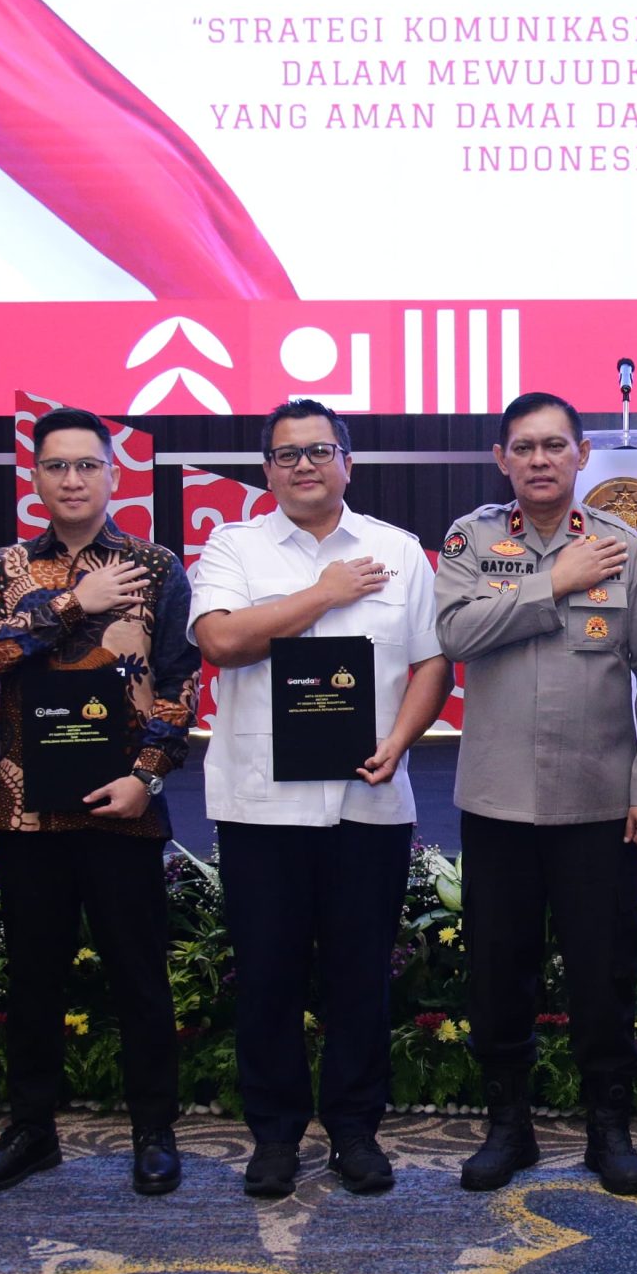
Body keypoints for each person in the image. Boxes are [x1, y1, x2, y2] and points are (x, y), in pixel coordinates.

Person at [190, 400, 451, 1199]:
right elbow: (220, 641)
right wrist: (324, 593)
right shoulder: (234, 545)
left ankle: (354, 1130)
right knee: (266, 976)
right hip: (260, 806)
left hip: (366, 802)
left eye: (319, 450)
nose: (304, 465)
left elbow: (432, 664)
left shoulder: (398, 551)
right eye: (287, 454)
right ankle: (273, 1135)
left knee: (360, 976)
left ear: (348, 462)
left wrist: (400, 740)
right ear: (267, 471)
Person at [435, 392, 637, 1196]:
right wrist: (552, 583)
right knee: (497, 971)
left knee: (602, 974)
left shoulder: (621, 547)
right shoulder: (472, 540)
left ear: (581, 455)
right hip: (498, 802)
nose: (539, 460)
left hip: (599, 803)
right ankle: (508, 1128)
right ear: (501, 459)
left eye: (554, 445)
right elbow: (453, 634)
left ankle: (608, 1129)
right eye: (524, 447)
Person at [0, 407, 198, 1196]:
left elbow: (181, 682)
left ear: (112, 475)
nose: (71, 479)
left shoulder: (155, 564)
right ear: (35, 477)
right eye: (56, 466)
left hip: (125, 805)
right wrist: (73, 604)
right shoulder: (4, 568)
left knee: (140, 976)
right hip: (27, 806)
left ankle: (154, 1129)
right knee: (32, 978)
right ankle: (32, 1130)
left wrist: (146, 774)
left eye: (87, 465)